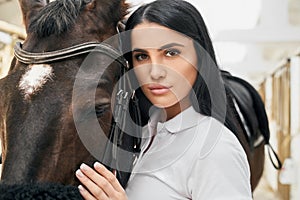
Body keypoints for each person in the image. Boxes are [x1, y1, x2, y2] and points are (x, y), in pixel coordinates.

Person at [75, 0, 252, 199]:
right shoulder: (142, 133)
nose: (155, 72)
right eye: (142, 56)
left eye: (171, 53)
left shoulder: (215, 149)